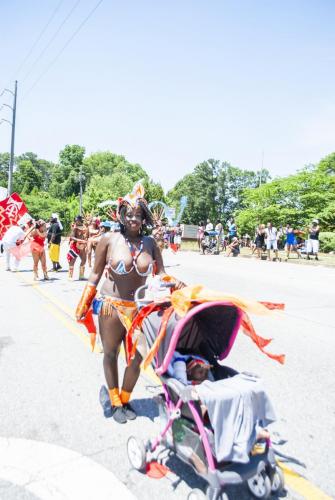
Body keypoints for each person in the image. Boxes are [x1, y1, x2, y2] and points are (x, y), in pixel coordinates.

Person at [75, 183, 185, 424]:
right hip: (110, 305)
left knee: (138, 357)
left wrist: (175, 283)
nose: (133, 218)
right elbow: (95, 274)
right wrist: (85, 300)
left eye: (138, 215)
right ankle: (115, 402)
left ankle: (125, 398)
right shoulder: (109, 239)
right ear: (121, 216)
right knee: (111, 353)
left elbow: (160, 274)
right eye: (129, 214)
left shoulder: (150, 243)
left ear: (144, 217)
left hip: (139, 308)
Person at [67, 215, 88, 280]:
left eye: (77, 220)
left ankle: (81, 275)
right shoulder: (75, 227)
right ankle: (70, 276)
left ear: (80, 220)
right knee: (73, 260)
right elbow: (72, 237)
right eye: (75, 220)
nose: (76, 222)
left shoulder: (85, 226)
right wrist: (80, 240)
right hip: (75, 246)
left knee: (84, 260)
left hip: (83, 246)